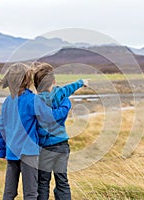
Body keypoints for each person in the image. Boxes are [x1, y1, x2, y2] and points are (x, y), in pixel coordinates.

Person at [0, 63, 71, 200]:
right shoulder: (33, 100)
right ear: (27, 80)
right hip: (28, 154)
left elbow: (1, 127)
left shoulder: (7, 101)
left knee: (9, 193)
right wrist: (66, 104)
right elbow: (50, 117)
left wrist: (2, 150)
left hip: (11, 152)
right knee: (30, 193)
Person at [33, 62, 88, 200]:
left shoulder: (35, 100)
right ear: (54, 81)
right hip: (62, 145)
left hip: (44, 147)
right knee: (62, 180)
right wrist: (81, 82)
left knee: (43, 182)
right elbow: (69, 88)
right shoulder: (59, 94)